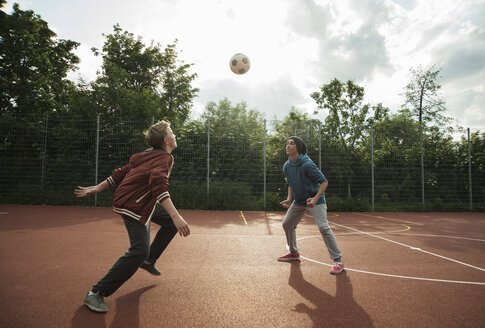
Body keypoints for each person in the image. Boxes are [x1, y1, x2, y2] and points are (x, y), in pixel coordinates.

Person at [74, 120, 190, 313]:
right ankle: (96, 293)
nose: (175, 135)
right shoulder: (163, 158)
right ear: (165, 140)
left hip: (141, 203)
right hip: (133, 206)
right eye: (172, 133)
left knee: (167, 224)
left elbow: (120, 173)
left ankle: (149, 261)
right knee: (139, 250)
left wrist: (98, 187)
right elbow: (158, 186)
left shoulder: (147, 155)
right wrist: (177, 216)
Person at [278, 136, 344, 275]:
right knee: (287, 224)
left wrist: (315, 198)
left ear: (298, 147)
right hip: (299, 200)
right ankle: (293, 253)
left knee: (323, 227)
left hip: (315, 200)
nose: (287, 146)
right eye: (287, 144)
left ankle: (338, 260)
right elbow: (290, 184)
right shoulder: (287, 166)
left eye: (291, 143)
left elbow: (324, 182)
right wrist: (290, 199)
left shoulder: (307, 164)